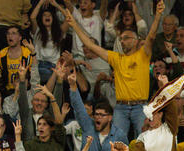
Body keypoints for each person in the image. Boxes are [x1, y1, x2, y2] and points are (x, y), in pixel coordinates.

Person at [64, 1, 165, 139]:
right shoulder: (116, 58)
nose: (122, 41)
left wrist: (158, 14)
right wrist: (74, 25)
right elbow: (89, 44)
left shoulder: (143, 54)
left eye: (126, 38)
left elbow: (152, 35)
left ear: (136, 40)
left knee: (145, 139)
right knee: (115, 141)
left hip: (140, 106)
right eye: (121, 39)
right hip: (121, 107)